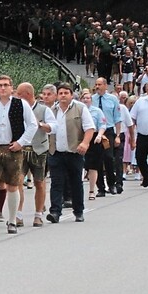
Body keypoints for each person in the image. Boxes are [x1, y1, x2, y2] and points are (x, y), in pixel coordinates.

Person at [0, 75, 37, 235]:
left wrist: (21, 142)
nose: (2, 88)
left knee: (12, 185)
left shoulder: (21, 104)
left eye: (5, 85)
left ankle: (12, 221)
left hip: (13, 149)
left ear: (12, 88)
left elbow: (33, 124)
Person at [47, 83, 95, 223]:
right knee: (56, 183)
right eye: (60, 93)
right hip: (56, 152)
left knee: (75, 182)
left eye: (66, 93)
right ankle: (55, 212)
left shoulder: (80, 108)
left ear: (71, 94)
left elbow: (89, 128)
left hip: (74, 151)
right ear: (57, 95)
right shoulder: (52, 110)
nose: (63, 95)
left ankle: (78, 211)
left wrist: (85, 143)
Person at [16, 82, 57, 227]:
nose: (16, 96)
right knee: (18, 181)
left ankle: (38, 214)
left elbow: (53, 127)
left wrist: (42, 125)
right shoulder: (16, 108)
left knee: (39, 182)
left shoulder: (43, 110)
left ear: (27, 94)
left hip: (38, 149)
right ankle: (18, 214)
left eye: (19, 94)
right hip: (21, 149)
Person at [91, 77, 122, 197]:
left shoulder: (112, 99)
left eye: (99, 84)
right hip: (94, 131)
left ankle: (111, 184)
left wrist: (118, 135)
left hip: (108, 131)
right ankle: (100, 188)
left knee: (109, 158)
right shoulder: (92, 99)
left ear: (105, 86)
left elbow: (118, 118)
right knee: (96, 160)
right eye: (96, 84)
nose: (97, 87)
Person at [79, 91, 108, 200]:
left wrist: (99, 135)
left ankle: (92, 190)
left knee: (93, 166)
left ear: (91, 100)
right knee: (80, 165)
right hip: (81, 137)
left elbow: (102, 124)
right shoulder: (78, 110)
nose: (86, 100)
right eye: (84, 98)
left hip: (94, 138)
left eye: (88, 98)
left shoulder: (97, 111)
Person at [130, 81, 148, 190]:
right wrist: (132, 134)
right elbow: (132, 117)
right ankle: (146, 175)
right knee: (139, 158)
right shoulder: (140, 102)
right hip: (142, 135)